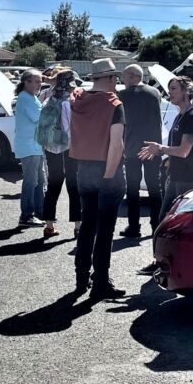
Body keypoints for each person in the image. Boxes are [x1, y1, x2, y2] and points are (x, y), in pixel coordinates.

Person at [137, 76, 193, 276]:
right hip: (176, 176)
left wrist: (160, 149)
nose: (170, 93)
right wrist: (166, 158)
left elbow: (184, 150)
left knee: (181, 224)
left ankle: (181, 265)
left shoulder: (192, 117)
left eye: (174, 88)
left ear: (186, 91)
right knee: (164, 220)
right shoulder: (180, 115)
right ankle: (161, 262)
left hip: (189, 177)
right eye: (169, 89)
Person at [70, 58, 127, 299]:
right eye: (113, 77)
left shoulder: (78, 100)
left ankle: (81, 277)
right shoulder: (114, 104)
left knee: (87, 227)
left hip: (83, 169)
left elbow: (76, 93)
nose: (116, 81)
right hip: (107, 170)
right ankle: (100, 282)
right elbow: (116, 144)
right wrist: (110, 175)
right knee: (105, 231)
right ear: (106, 78)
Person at [117, 64, 163, 238]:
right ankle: (156, 225)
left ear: (132, 76)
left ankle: (134, 226)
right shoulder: (155, 93)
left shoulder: (123, 95)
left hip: (132, 147)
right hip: (152, 146)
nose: (123, 80)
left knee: (133, 189)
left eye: (124, 77)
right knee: (154, 188)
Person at [38, 67, 80, 239]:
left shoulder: (48, 99)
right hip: (70, 148)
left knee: (53, 184)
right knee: (74, 185)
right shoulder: (69, 102)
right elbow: (72, 128)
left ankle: (49, 225)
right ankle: (78, 226)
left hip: (50, 147)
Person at [15, 69, 47, 227]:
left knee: (39, 180)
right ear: (26, 82)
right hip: (29, 145)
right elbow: (39, 118)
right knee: (31, 180)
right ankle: (26, 215)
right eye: (36, 81)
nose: (39, 84)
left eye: (40, 81)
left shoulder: (31, 97)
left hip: (35, 145)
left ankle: (39, 211)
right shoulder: (25, 97)